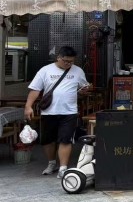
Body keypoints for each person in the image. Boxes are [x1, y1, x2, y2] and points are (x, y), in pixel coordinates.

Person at [24, 47, 92, 178]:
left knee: (65, 139)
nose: (68, 64)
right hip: (48, 112)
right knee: (48, 140)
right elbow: (35, 89)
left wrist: (85, 90)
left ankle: (63, 168)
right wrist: (28, 106)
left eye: (71, 61)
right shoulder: (45, 70)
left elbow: (84, 88)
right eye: (66, 61)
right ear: (58, 58)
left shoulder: (78, 71)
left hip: (69, 112)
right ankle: (51, 163)